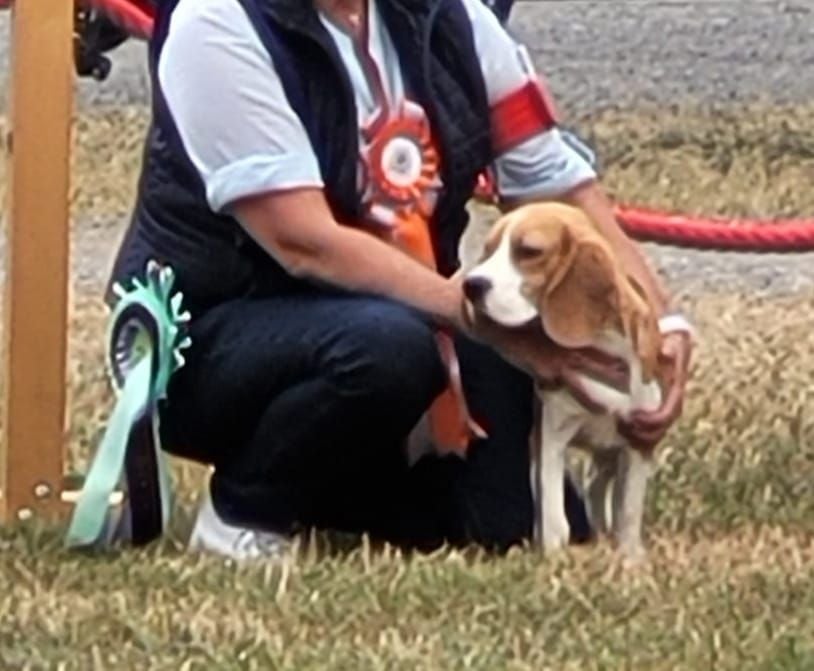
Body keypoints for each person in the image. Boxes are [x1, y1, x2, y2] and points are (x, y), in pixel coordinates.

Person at [108, 0, 692, 560]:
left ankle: (331, 491)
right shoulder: (215, 22)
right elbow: (303, 242)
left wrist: (659, 322)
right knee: (385, 351)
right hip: (216, 333)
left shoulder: (459, 18)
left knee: (508, 524)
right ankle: (246, 512)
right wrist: (478, 322)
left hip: (406, 312)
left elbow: (555, 183)